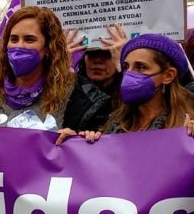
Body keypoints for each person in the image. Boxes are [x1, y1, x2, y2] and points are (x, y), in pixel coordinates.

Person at [0, 6, 110, 137]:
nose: (19, 46)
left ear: (49, 47)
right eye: (14, 39)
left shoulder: (83, 97)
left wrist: (78, 143)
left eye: (29, 39)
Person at [59, 34, 194, 143]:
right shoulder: (116, 121)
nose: (129, 74)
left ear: (168, 75)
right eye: (126, 67)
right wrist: (78, 142)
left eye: (141, 67)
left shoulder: (186, 124)